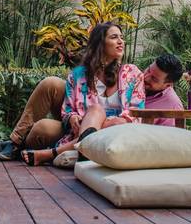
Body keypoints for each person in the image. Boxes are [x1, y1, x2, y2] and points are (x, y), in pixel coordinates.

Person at [0, 52, 186, 161]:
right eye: (149, 70)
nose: (147, 77)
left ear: (168, 85)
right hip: (83, 118)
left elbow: (161, 144)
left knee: (43, 128)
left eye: (154, 78)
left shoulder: (171, 106)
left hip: (101, 134)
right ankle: (14, 142)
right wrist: (72, 114)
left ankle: (37, 150)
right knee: (50, 84)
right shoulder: (132, 75)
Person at [20, 22, 145, 166]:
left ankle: (52, 153)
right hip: (81, 129)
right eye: (114, 37)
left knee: (111, 119)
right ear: (100, 43)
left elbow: (137, 111)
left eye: (121, 38)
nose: (121, 41)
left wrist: (109, 122)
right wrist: (72, 117)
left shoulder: (133, 74)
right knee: (96, 110)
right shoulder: (78, 76)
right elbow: (67, 109)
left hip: (118, 131)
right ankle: (84, 151)